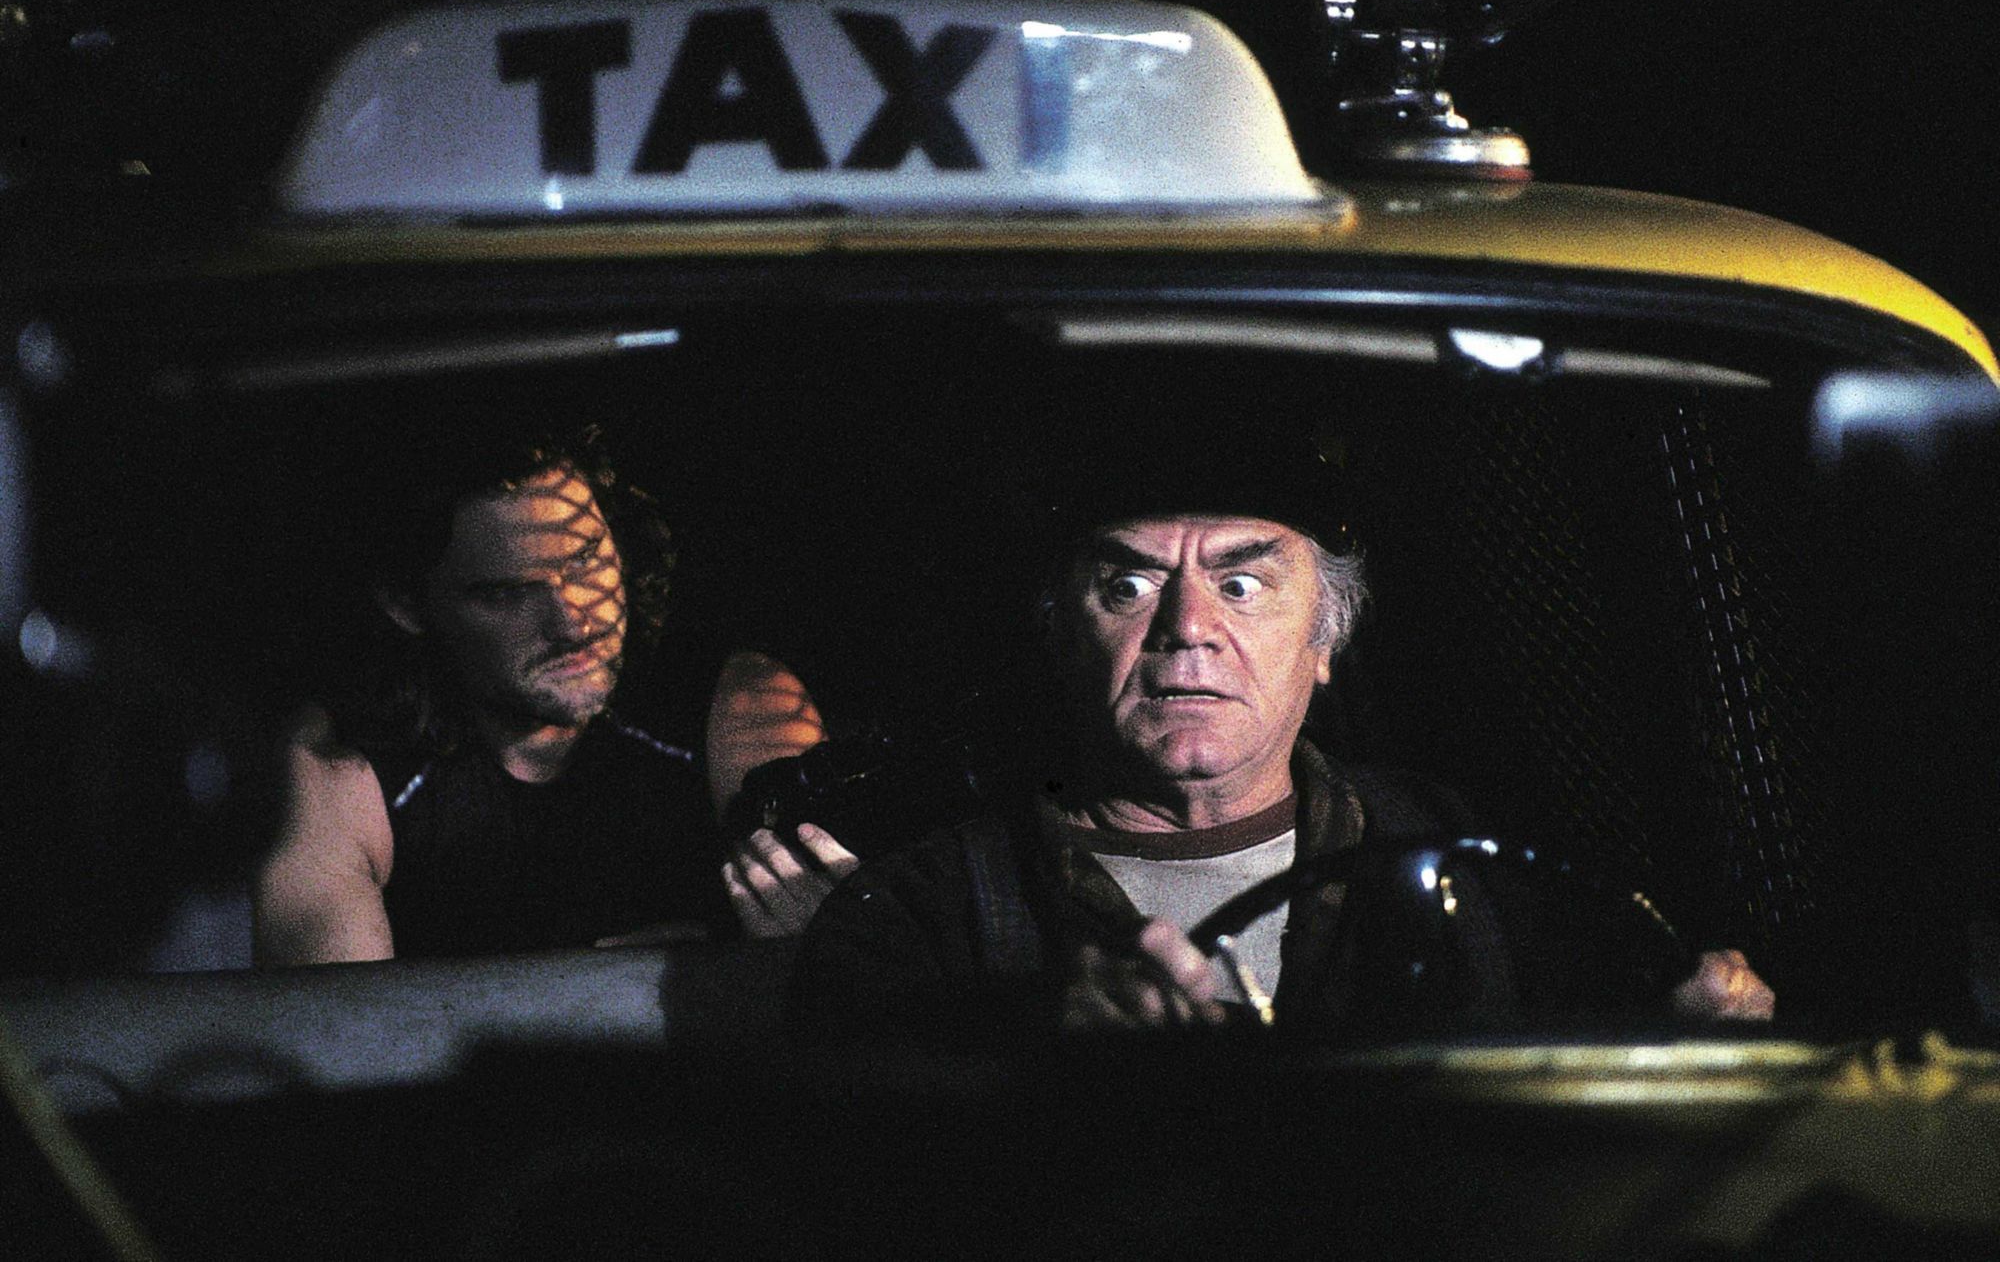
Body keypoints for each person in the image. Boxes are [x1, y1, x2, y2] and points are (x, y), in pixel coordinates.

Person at [790, 423, 1775, 1041]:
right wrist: (1026, 1044)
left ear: (1324, 639)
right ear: (1058, 635)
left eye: (1240, 583)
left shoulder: (1488, 868)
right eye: (1128, 584)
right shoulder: (919, 913)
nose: (1187, 627)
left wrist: (1697, 1027)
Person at [253, 419, 845, 964]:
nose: (572, 623)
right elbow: (336, 1025)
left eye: (585, 561)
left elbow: (831, 958)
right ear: (408, 606)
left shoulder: (738, 703)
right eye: (508, 593)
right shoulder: (345, 761)